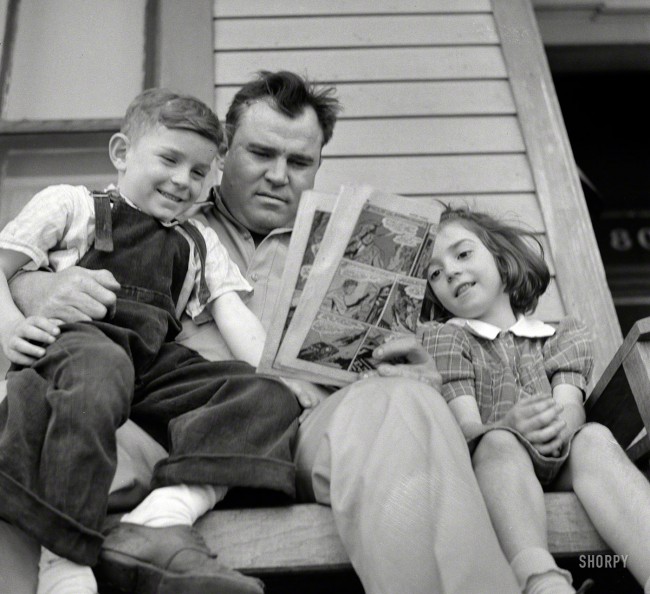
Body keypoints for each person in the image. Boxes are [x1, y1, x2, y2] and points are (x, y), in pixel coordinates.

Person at [7, 71, 520, 594]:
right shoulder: (166, 222)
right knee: (35, 418)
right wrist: (35, 288)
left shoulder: (358, 248)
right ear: (225, 155)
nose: (279, 175)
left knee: (404, 403)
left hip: (314, 426)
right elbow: (22, 273)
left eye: (299, 163)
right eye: (261, 154)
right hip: (163, 426)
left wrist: (416, 377)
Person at [0, 88, 302, 594]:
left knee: (261, 395)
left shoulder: (196, 240)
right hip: (78, 348)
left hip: (151, 363)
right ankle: (61, 558)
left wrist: (281, 375)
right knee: (101, 373)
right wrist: (11, 328)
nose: (183, 180)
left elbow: (233, 314)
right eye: (169, 159)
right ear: (122, 153)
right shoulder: (73, 204)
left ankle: (166, 515)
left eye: (199, 171)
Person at [424, 205, 650, 594]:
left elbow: (570, 409)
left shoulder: (558, 335)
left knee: (594, 437)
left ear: (501, 257)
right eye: (435, 273)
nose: (451, 272)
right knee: (498, 443)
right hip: (490, 470)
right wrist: (508, 427)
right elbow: (466, 429)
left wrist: (556, 427)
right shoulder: (446, 338)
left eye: (462, 254)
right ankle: (543, 584)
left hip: (557, 460)